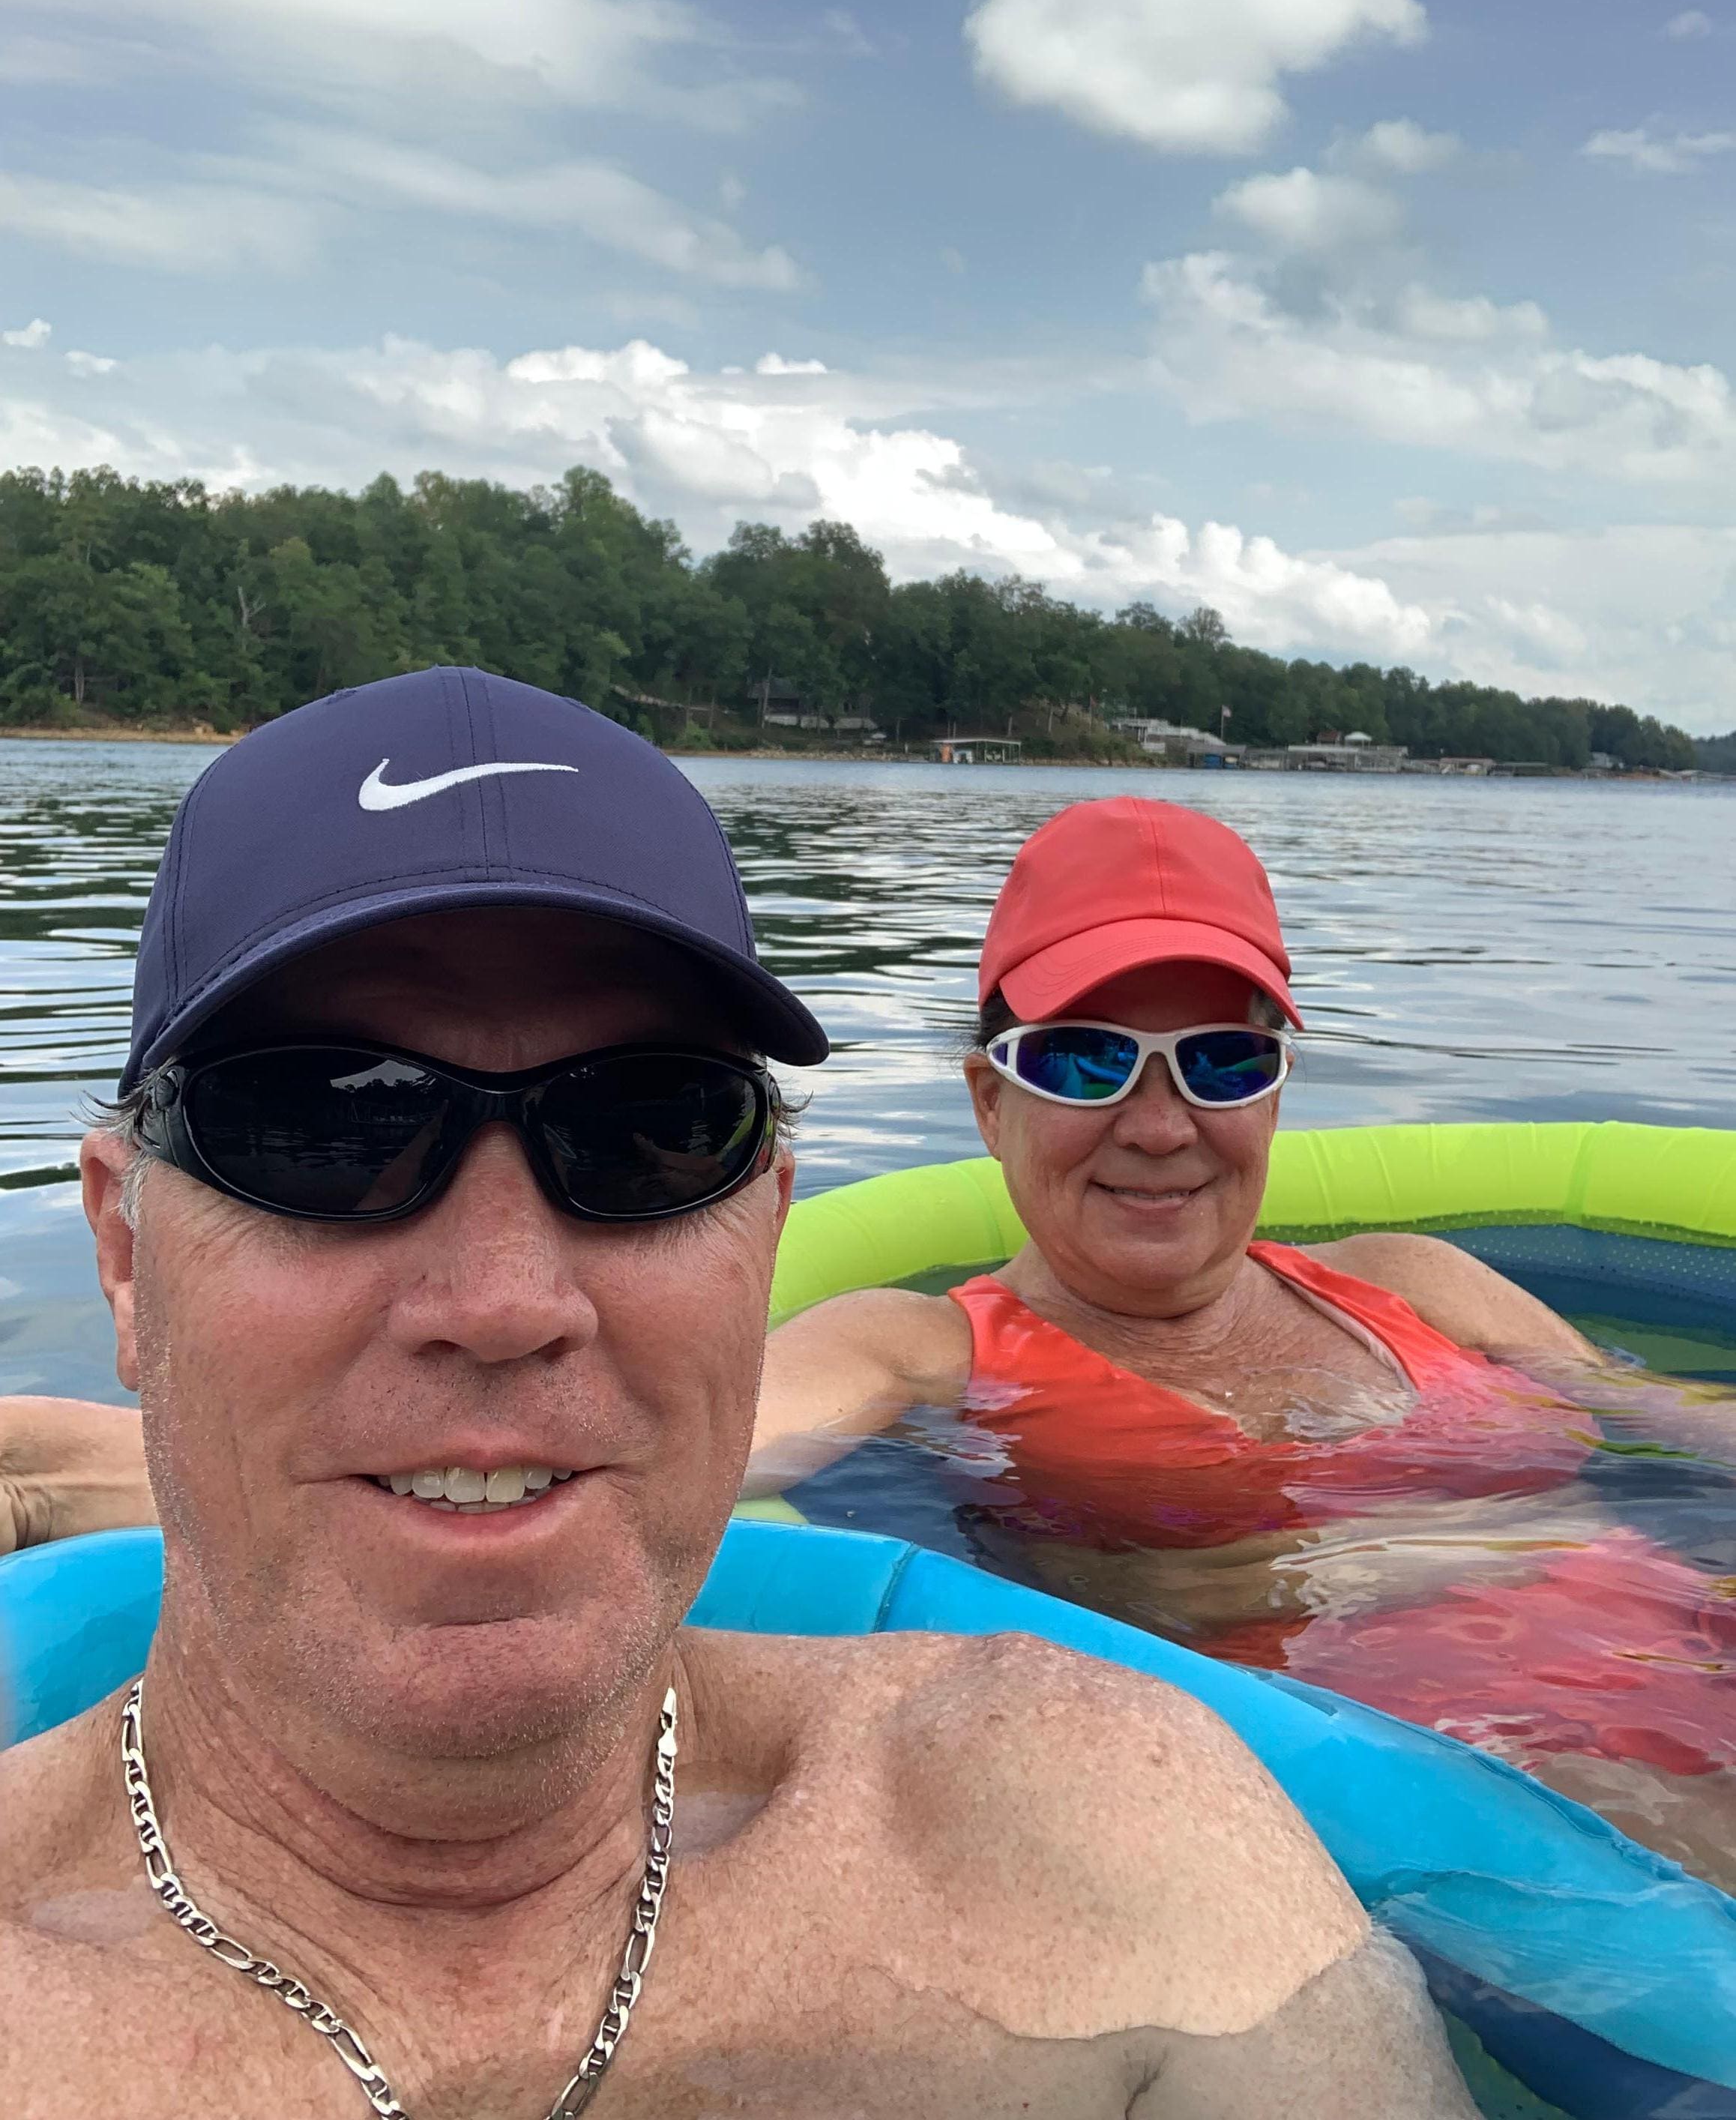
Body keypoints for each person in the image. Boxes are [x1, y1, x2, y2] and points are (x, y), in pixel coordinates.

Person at [0, 669, 1473, 2119]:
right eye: (322, 1124)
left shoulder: (1088, 1830)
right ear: (125, 1256)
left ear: (765, 1225)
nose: (507, 1300)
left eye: (649, 1129)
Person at [744, 797, 1736, 1887]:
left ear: (1272, 1096)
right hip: (1499, 1793)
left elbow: (1670, 1421)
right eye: (1083, 1063)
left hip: (1689, 1640)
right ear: (990, 1101)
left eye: (1221, 1062)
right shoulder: (919, 1349)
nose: (1161, 1125)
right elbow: (669, 1466)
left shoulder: (1411, 1281)